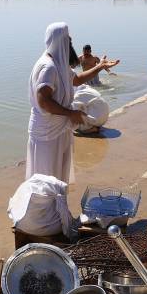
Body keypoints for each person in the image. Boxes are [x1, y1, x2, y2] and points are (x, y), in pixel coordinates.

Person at [28, 22, 119, 182]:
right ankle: (46, 208)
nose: (70, 45)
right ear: (58, 41)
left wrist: (99, 67)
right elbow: (43, 101)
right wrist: (71, 113)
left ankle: (57, 207)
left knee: (59, 177)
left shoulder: (60, 64)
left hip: (60, 129)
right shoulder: (48, 67)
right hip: (47, 133)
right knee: (46, 180)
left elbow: (76, 80)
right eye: (68, 41)